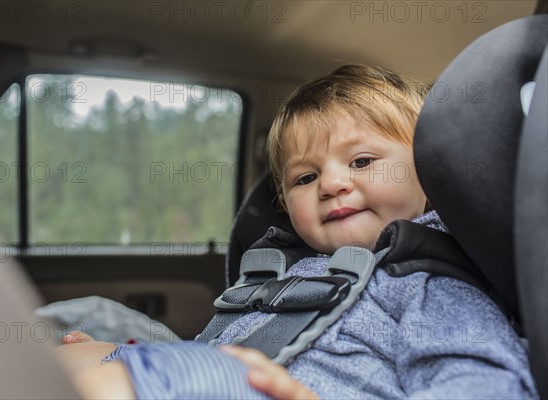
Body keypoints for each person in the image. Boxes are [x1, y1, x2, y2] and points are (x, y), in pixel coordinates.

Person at [58, 65, 537, 399]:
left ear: (430, 171)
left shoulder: (429, 283)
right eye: (305, 178)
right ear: (286, 204)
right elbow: (213, 352)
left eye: (363, 162)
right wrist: (122, 353)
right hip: (221, 378)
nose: (331, 184)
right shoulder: (280, 276)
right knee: (68, 351)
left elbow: (484, 385)